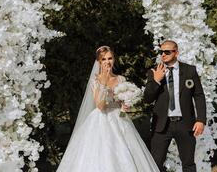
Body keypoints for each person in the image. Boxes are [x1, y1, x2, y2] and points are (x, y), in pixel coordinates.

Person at [56, 46, 160, 172]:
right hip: (100, 120)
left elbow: (122, 101)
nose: (107, 62)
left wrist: (126, 105)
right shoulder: (95, 80)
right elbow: (100, 105)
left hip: (119, 118)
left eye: (110, 58)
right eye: (103, 59)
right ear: (99, 62)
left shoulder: (121, 79)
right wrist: (104, 83)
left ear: (114, 59)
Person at [144, 40, 206, 172]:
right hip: (161, 125)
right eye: (161, 52)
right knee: (155, 164)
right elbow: (147, 99)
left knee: (188, 163)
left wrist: (201, 120)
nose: (163, 55)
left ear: (176, 52)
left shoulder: (190, 71)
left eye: (167, 52)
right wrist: (156, 80)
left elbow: (199, 95)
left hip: (185, 124)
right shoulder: (154, 71)